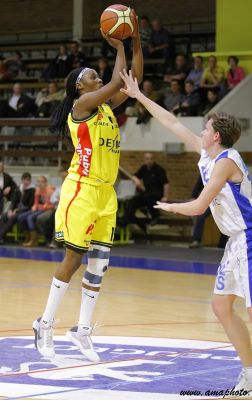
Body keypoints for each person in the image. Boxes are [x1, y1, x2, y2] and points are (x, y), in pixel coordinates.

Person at [119, 69, 252, 392]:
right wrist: (139, 96)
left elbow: (199, 206)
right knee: (220, 306)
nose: (202, 130)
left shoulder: (227, 161)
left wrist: (171, 206)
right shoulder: (207, 152)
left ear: (216, 135)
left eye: (206, 127)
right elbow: (171, 122)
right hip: (236, 241)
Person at [32, 20, 143, 361]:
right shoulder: (81, 109)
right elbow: (115, 81)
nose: (98, 77)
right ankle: (45, 322)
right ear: (80, 87)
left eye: (98, 74)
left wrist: (135, 39)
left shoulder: (107, 109)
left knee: (99, 264)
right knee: (74, 258)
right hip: (81, 189)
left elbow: (131, 80)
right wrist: (119, 47)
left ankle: (81, 329)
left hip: (106, 193)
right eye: (91, 75)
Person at [121, 152, 169, 231]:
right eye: (147, 159)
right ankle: (125, 220)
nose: (149, 161)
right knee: (133, 200)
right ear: (144, 160)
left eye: (151, 159)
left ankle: (155, 216)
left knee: (149, 197)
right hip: (147, 193)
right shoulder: (144, 168)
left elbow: (166, 184)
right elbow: (134, 176)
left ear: (153, 160)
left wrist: (165, 196)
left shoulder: (159, 169)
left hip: (157, 193)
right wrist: (137, 181)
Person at [0, 172, 35, 245]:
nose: (26, 182)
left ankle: (0, 236)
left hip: (25, 210)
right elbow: (13, 201)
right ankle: (3, 237)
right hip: (14, 210)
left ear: (30, 181)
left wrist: (16, 210)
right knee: (4, 216)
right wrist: (10, 209)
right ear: (22, 180)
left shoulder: (32, 190)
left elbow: (30, 205)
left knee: (12, 218)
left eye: (28, 180)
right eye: (24, 180)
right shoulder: (18, 189)